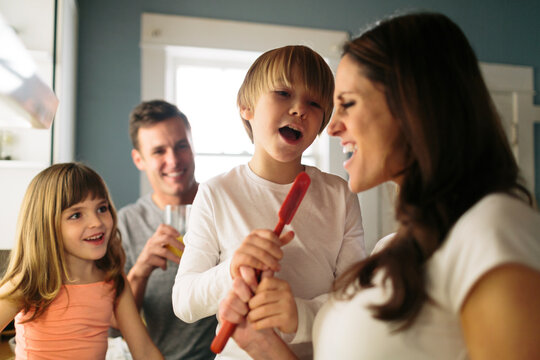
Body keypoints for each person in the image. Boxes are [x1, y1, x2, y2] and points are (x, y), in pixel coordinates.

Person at [217, 12, 540, 360]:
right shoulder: (392, 250)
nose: (331, 127)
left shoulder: (490, 227)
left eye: (348, 104)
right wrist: (263, 345)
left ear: (415, 104)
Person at [172, 45, 366, 359]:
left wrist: (298, 315)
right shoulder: (216, 193)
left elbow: (355, 302)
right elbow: (183, 301)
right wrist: (231, 270)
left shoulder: (339, 195)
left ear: (322, 124)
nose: (299, 109)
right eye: (282, 93)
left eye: (314, 103)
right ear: (246, 107)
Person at [0, 162, 163, 360]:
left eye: (102, 208)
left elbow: (144, 350)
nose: (96, 222)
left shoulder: (113, 280)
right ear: (46, 226)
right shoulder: (29, 282)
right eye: (76, 215)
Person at [116, 100, 217, 359]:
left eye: (181, 146)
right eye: (159, 151)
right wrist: (140, 271)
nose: (173, 160)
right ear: (139, 159)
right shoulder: (126, 223)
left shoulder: (222, 205)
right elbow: (115, 323)